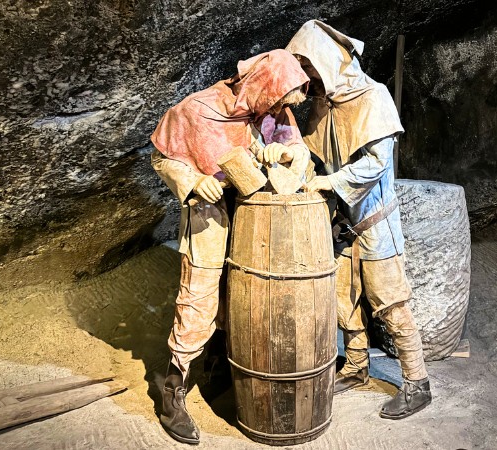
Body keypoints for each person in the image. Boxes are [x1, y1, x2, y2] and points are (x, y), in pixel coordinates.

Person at [149, 49, 310, 445]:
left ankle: (219, 365)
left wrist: (286, 151)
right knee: (199, 295)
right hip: (209, 215)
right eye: (276, 101)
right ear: (261, 87)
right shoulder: (196, 110)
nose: (277, 110)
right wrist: (190, 181)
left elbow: (300, 154)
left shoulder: (270, 112)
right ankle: (173, 386)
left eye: (282, 104)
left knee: (240, 294)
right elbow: (162, 157)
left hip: (255, 217)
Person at [286, 20, 431, 420]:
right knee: (341, 299)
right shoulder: (321, 104)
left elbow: (375, 164)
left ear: (328, 62)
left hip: (375, 223)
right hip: (338, 222)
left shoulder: (374, 97)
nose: (308, 79)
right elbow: (313, 154)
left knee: (391, 303)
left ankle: (418, 383)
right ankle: (355, 366)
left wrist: (326, 183)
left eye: (311, 68)